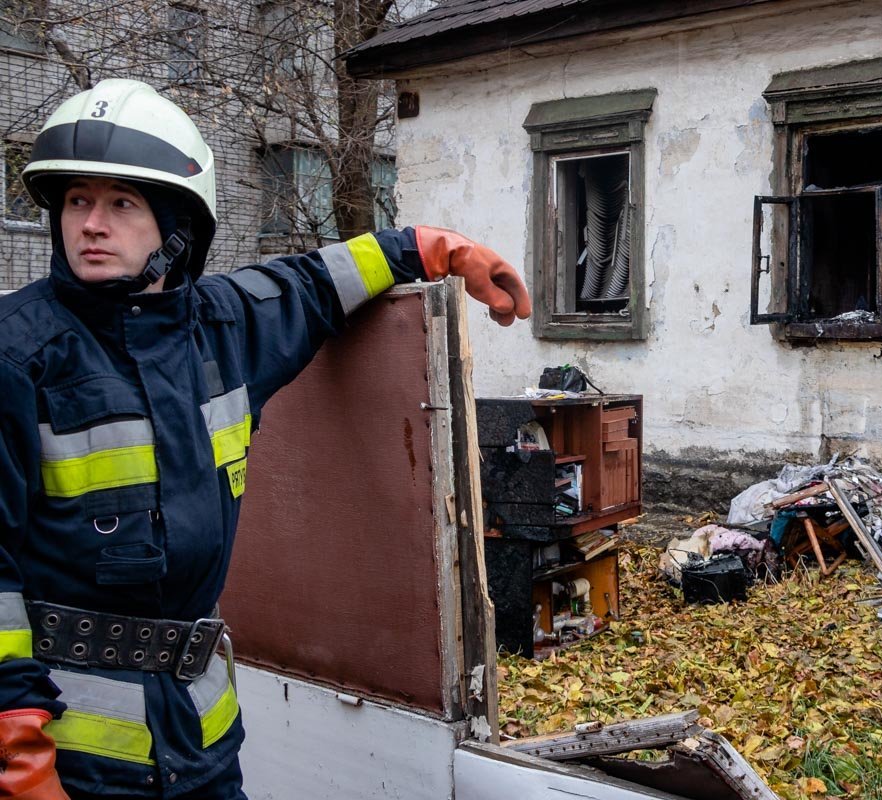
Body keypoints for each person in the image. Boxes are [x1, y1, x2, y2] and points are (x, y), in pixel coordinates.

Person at [0, 79, 531, 799]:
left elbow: (317, 281)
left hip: (205, 751)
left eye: (121, 203)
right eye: (76, 201)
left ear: (176, 225)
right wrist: (20, 761)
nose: (91, 224)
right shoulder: (18, 355)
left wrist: (440, 250)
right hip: (76, 767)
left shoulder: (223, 328)